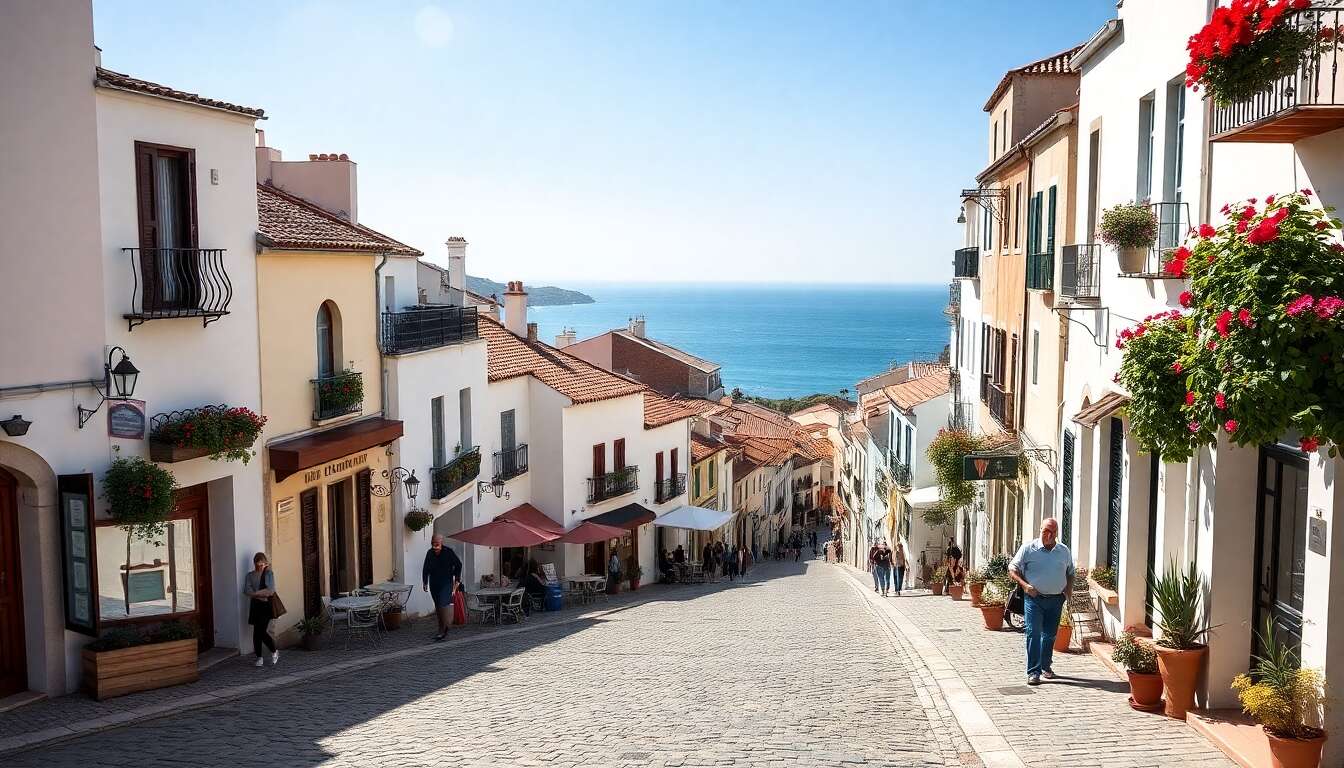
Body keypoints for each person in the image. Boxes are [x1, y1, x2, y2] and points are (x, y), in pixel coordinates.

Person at [1009, 518, 1076, 686]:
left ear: (1057, 533)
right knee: (1033, 633)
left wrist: (1068, 592)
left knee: (1050, 635)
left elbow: (1070, 572)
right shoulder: (1028, 549)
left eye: (1053, 532)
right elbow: (1012, 568)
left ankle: (1046, 666)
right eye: (1046, 530)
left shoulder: (1063, 551)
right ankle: (1033, 672)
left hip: (1056, 599)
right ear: (1040, 530)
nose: (1049, 535)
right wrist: (1025, 586)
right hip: (1034, 599)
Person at [422, 534, 462, 641]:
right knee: (438, 606)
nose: (434, 546)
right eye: (433, 543)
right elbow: (425, 568)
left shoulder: (448, 552)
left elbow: (458, 564)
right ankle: (443, 626)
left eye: (437, 544)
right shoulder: (429, 553)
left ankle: (443, 629)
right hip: (434, 583)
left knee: (442, 603)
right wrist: (425, 582)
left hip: (446, 583)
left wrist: (456, 578)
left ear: (441, 542)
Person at [243, 552, 279, 668]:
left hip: (266, 606)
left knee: (261, 632)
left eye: (262, 564)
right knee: (256, 633)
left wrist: (255, 593)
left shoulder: (268, 573)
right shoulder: (249, 575)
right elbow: (246, 591)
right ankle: (259, 657)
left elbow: (270, 591)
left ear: (265, 563)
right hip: (255, 606)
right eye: (258, 565)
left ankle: (274, 651)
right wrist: (260, 595)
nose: (260, 567)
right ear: (254, 564)